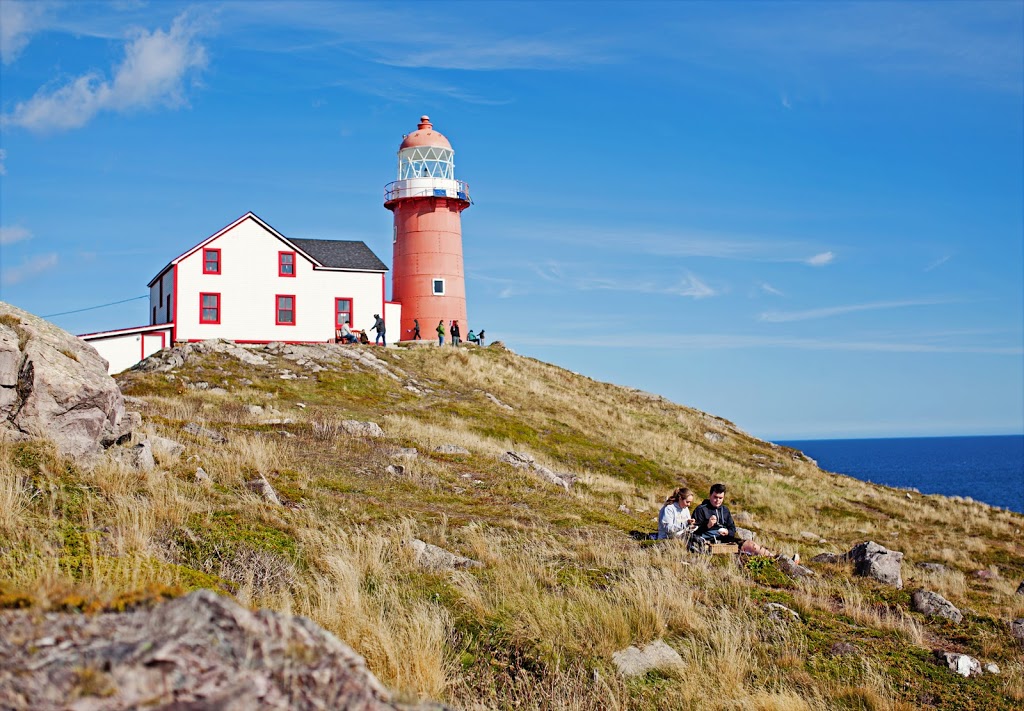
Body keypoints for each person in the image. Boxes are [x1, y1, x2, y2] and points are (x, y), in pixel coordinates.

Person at [690, 483, 783, 558]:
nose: (717, 500)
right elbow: (694, 532)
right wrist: (708, 525)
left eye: (720, 498)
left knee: (750, 544)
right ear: (710, 495)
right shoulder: (701, 509)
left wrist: (727, 532)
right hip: (709, 541)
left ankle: (775, 558)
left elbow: (732, 528)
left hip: (726, 539)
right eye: (715, 497)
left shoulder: (725, 510)